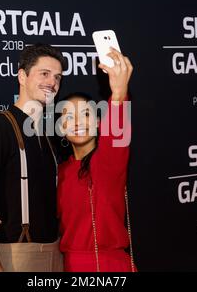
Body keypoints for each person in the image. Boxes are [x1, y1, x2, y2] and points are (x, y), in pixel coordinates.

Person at [0, 43, 65, 272]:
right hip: (15, 257)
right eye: (44, 74)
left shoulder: (51, 134)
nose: (52, 82)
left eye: (58, 77)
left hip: (57, 255)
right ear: (22, 76)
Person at [57, 48, 136, 272]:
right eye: (69, 117)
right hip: (66, 266)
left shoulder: (107, 163)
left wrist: (119, 94)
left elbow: (116, 138)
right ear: (61, 129)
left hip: (107, 267)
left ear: (100, 123)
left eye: (86, 114)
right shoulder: (59, 171)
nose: (78, 122)